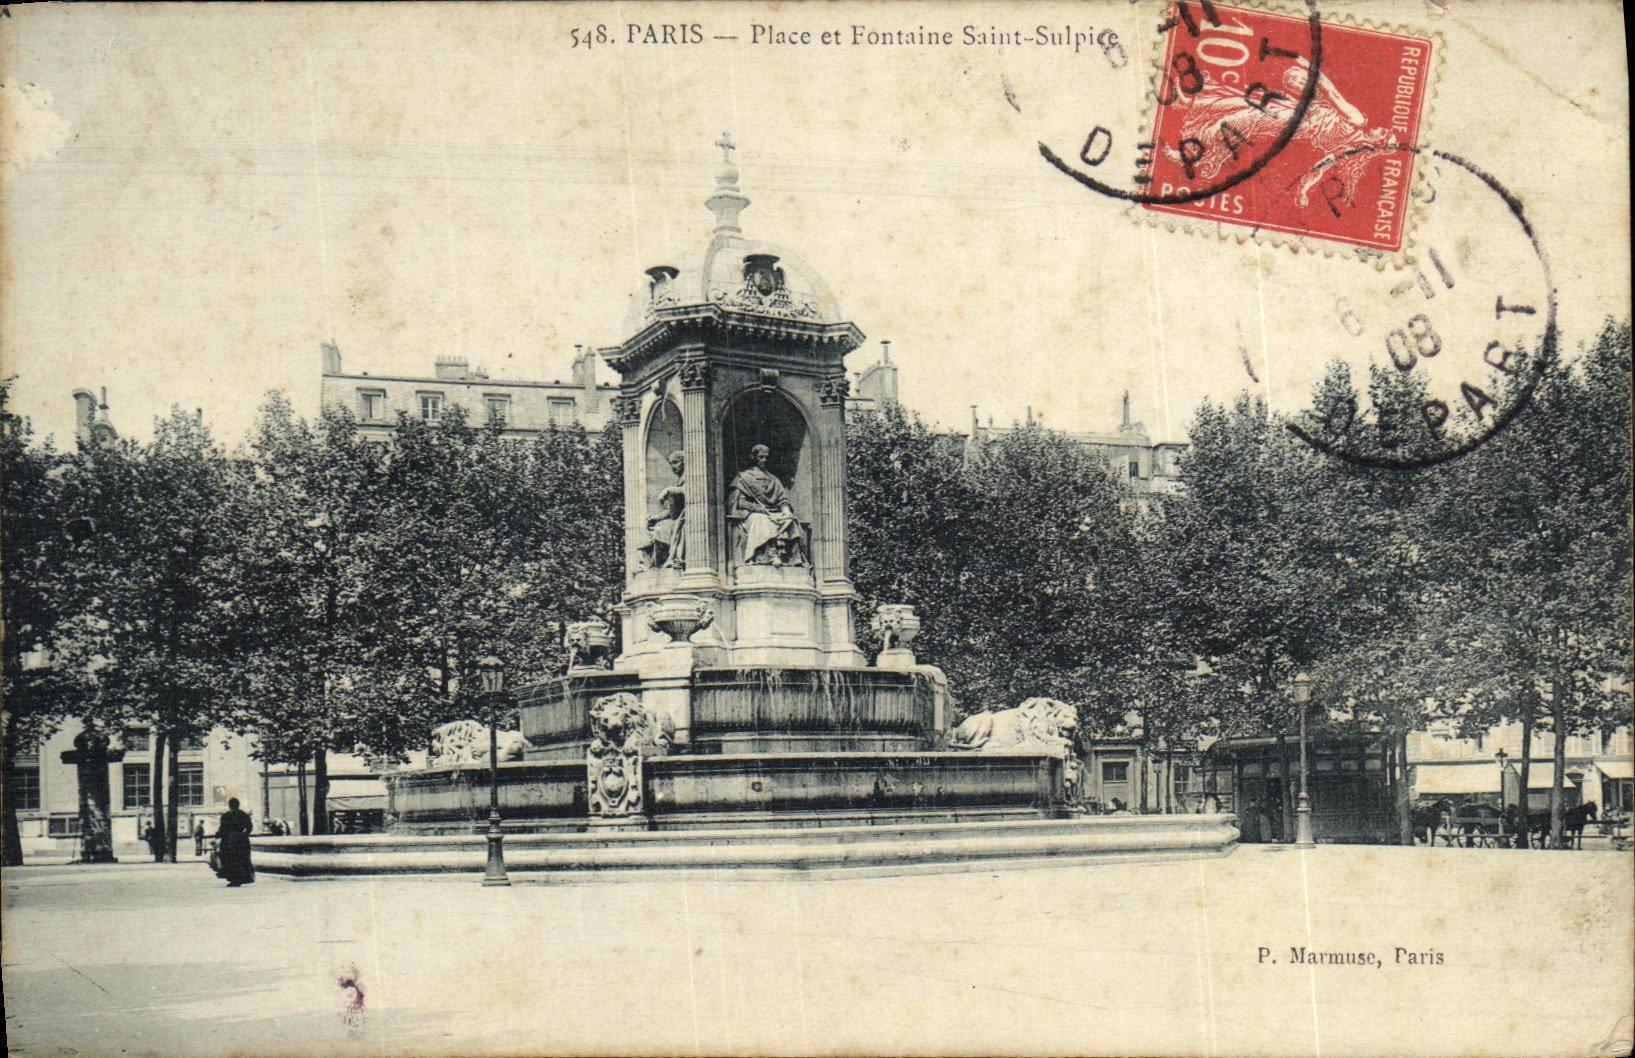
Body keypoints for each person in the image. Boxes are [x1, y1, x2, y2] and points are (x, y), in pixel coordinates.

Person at [727, 444, 808, 567]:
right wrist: (756, 508)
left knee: (790, 520)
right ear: (754, 458)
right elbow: (739, 502)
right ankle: (769, 555)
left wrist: (785, 510)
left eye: (766, 457)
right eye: (760, 457)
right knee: (760, 519)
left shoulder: (773, 479)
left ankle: (794, 558)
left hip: (773, 512)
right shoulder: (744, 477)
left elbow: (782, 499)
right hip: (752, 513)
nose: (764, 460)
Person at [642, 450, 687, 569]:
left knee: (661, 529)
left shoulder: (690, 478)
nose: (673, 467)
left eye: (676, 462)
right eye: (671, 463)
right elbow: (670, 511)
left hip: (685, 518)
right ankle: (655, 564)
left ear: (685, 462)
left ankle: (664, 562)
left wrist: (668, 490)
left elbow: (689, 491)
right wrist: (656, 517)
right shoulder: (679, 482)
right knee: (657, 528)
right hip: (677, 518)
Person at [213, 797, 255, 887]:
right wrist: (244, 835)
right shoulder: (243, 814)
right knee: (242, 859)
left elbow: (222, 829)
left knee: (229, 860)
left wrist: (217, 835)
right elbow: (249, 827)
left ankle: (233, 879)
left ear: (230, 806)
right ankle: (244, 877)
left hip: (228, 841)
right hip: (241, 840)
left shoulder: (226, 816)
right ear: (238, 805)